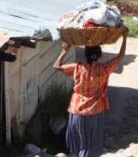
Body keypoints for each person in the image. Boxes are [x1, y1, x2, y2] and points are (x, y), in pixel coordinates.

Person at [53, 29, 128, 157]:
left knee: (76, 143)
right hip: (94, 112)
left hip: (76, 111)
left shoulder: (77, 67)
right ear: (99, 55)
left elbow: (56, 66)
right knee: (91, 144)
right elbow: (120, 57)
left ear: (85, 55)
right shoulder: (103, 69)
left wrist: (65, 51)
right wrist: (125, 38)